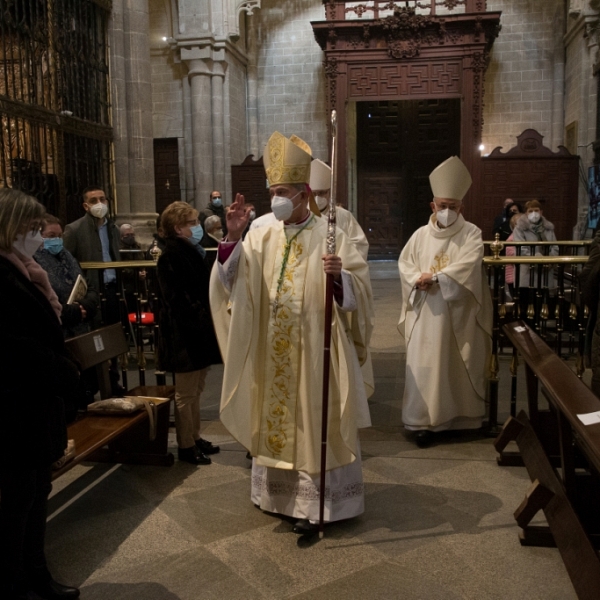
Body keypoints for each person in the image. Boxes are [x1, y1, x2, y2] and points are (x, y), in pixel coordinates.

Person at [210, 131, 374, 533]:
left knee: (314, 421)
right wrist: (232, 238)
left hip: (318, 351)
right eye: (272, 192)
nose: (275, 199)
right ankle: (279, 497)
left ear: (303, 192)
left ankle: (318, 506)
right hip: (273, 350)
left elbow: (360, 291)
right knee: (278, 419)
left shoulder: (330, 234)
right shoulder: (262, 233)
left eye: (282, 191)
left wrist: (340, 280)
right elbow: (232, 283)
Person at [0, 188, 81, 600]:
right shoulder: (3, 275)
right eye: (31, 227)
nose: (37, 234)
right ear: (9, 227)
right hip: (15, 410)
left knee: (36, 496)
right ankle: (17, 584)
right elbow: (15, 346)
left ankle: (38, 576)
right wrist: (63, 371)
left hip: (37, 406)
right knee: (15, 506)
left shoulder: (27, 269)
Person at [398, 156, 493, 448]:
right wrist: (417, 279)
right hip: (427, 313)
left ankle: (463, 419)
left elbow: (469, 263)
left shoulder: (471, 233)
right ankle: (423, 422)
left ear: (461, 207)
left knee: (455, 364)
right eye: (443, 206)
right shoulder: (419, 235)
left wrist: (437, 278)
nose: (447, 211)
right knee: (426, 365)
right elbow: (405, 264)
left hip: (459, 314)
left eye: (453, 207)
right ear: (433, 206)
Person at [156, 201, 222, 465]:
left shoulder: (191, 251)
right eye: (192, 223)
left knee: (197, 389)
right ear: (178, 228)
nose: (197, 227)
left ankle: (194, 436)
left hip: (198, 333)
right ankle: (185, 446)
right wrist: (202, 318)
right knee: (185, 393)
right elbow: (177, 300)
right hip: (183, 335)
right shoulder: (170, 255)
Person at [63, 187, 124, 394]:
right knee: (93, 341)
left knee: (113, 337)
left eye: (102, 199)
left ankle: (113, 381)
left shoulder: (113, 228)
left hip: (112, 289)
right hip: (91, 293)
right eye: (94, 200)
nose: (99, 203)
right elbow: (67, 261)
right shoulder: (74, 229)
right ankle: (92, 385)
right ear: (85, 206)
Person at [34, 214, 99, 339]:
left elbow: (87, 285)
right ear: (39, 236)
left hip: (80, 327)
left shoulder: (68, 256)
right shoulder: (33, 260)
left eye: (60, 236)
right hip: (56, 329)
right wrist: (71, 312)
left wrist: (86, 305)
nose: (57, 240)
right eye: (51, 236)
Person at [512, 200, 558, 322]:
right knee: (526, 308)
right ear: (526, 213)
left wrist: (550, 260)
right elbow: (521, 249)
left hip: (545, 272)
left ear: (541, 212)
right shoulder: (520, 228)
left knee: (541, 308)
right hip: (528, 273)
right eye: (530, 211)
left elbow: (555, 247)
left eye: (536, 210)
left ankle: (539, 337)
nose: (534, 213)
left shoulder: (548, 228)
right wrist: (539, 259)